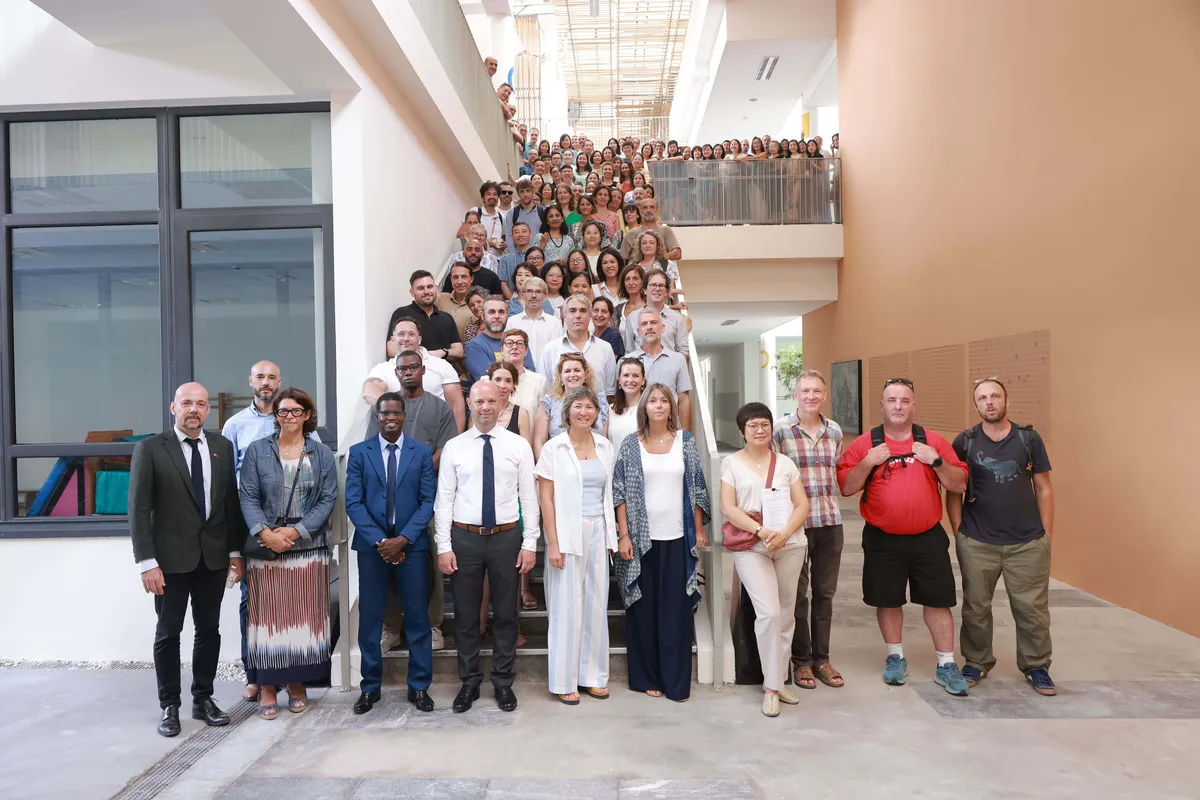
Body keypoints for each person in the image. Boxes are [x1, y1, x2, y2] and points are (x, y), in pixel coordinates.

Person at [837, 378, 970, 695]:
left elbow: (959, 483)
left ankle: (946, 663)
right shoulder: (865, 444)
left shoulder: (932, 441)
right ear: (881, 405)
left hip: (928, 537)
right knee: (888, 599)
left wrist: (935, 461)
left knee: (938, 601)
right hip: (883, 538)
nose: (898, 406)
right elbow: (846, 487)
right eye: (892, 400)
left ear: (913, 404)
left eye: (904, 400)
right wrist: (869, 461)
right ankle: (895, 657)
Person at [129, 383, 245, 737]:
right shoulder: (151, 449)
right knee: (168, 634)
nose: (193, 409)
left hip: (212, 559)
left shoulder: (221, 447)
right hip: (169, 562)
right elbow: (139, 508)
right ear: (173, 408)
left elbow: (230, 505)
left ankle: (203, 698)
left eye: (200, 404)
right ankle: (170, 705)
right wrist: (146, 562)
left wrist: (235, 553)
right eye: (186, 403)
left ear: (208, 410)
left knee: (209, 630)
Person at [947, 378, 1057, 696]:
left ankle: (1037, 666)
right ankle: (976, 662)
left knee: (1031, 609)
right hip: (978, 540)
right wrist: (959, 532)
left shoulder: (1028, 439)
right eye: (983, 398)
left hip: (1027, 541)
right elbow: (954, 489)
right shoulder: (965, 442)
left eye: (995, 396)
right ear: (976, 405)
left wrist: (1046, 533)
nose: (990, 402)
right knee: (975, 607)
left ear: (1006, 400)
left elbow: (1044, 487)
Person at [436, 381, 540, 713]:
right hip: (464, 537)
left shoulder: (519, 445)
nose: (485, 407)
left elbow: (529, 497)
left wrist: (530, 543)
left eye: (491, 401)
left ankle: (503, 682)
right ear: (469, 402)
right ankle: (468, 682)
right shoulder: (454, 447)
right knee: (466, 615)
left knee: (507, 614)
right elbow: (445, 500)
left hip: (506, 537)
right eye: (479, 401)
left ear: (501, 402)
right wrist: (443, 545)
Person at [220, 359, 317, 702]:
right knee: (254, 604)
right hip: (252, 527)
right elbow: (230, 482)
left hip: (296, 534)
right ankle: (257, 675)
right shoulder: (235, 425)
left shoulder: (304, 430)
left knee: (292, 607)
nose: (266, 382)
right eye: (260, 377)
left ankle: (292, 678)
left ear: (280, 382)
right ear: (250, 381)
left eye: (271, 377)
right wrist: (258, 530)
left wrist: (294, 531)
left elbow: (317, 482)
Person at [238, 388, 338, 719]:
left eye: (297, 411)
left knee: (303, 619)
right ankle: (267, 686)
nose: (290, 417)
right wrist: (265, 533)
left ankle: (296, 683)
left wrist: (295, 532)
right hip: (267, 547)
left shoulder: (320, 453)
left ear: (308, 415)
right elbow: (248, 496)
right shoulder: (256, 451)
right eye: (283, 412)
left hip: (307, 546)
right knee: (266, 620)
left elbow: (327, 499)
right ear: (275, 415)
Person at [612, 383, 710, 702]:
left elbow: (696, 486)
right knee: (643, 610)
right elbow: (620, 491)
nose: (658, 405)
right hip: (640, 541)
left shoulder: (686, 441)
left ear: (671, 407)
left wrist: (699, 530)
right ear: (644, 407)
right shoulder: (630, 444)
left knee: (676, 611)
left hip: (678, 538)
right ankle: (646, 678)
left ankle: (675, 681)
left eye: (663, 400)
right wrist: (624, 534)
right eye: (652, 400)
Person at [345, 393, 438, 715]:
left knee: (417, 619)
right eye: (385, 413)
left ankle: (420, 686)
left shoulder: (421, 452)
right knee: (370, 619)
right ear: (377, 416)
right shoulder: (359, 453)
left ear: (404, 415)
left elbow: (428, 501)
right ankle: (369, 688)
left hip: (411, 548)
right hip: (372, 550)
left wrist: (402, 539)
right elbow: (353, 502)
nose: (391, 418)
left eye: (397, 413)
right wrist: (380, 542)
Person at [720, 402, 811, 717]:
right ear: (742, 431)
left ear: (772, 428)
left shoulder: (785, 463)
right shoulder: (731, 464)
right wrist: (760, 530)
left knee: (786, 614)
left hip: (789, 543)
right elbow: (728, 508)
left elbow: (802, 504)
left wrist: (785, 532)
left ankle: (778, 680)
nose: (759, 431)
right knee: (769, 613)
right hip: (751, 545)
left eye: (764, 425)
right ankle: (770, 687)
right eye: (753, 426)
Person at [365, 350, 457, 653]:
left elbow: (446, 449)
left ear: (423, 369)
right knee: (386, 560)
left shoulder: (439, 408)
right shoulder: (385, 406)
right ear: (396, 370)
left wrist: (413, 469)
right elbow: (371, 449)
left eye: (413, 367)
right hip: (387, 498)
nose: (408, 372)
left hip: (425, 497)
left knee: (428, 561)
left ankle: (432, 625)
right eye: (402, 368)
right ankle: (391, 627)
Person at [536, 386, 618, 704]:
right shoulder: (554, 448)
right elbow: (546, 497)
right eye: (578, 406)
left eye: (590, 407)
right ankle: (564, 679)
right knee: (566, 608)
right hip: (567, 534)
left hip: (599, 529)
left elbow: (609, 493)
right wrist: (552, 543)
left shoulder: (605, 446)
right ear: (567, 411)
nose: (584, 412)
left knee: (597, 606)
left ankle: (594, 676)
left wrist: (612, 536)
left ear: (597, 412)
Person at [771, 370, 846, 690]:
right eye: (805, 391)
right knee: (797, 596)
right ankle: (801, 661)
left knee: (825, 595)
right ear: (796, 394)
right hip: (795, 527)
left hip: (829, 522)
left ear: (824, 395)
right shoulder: (780, 430)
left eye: (817, 391)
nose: (811, 396)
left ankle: (822, 658)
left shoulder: (835, 432)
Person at [367, 317, 465, 431]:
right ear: (392, 339)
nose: (406, 339)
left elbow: (457, 405)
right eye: (401, 334)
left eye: (411, 334)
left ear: (419, 340)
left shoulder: (442, 366)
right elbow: (369, 391)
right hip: (398, 433)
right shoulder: (382, 369)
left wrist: (454, 442)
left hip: (436, 431)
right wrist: (400, 412)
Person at [534, 352, 611, 459]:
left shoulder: (599, 401)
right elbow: (539, 443)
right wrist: (547, 471)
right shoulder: (548, 403)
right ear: (560, 376)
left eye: (577, 370)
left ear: (585, 375)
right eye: (567, 371)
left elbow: (605, 440)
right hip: (558, 465)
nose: (572, 374)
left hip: (593, 463)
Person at [538, 294, 616, 395]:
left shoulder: (605, 348)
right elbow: (545, 391)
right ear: (564, 316)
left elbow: (610, 390)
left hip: (598, 409)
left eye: (583, 311)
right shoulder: (550, 349)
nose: (578, 315)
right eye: (572, 311)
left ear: (590, 316)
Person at [627, 309, 692, 429]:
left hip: (670, 430)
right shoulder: (626, 361)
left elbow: (684, 400)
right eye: (644, 324)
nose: (649, 327)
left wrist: (686, 436)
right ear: (638, 331)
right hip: (636, 429)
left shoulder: (678, 360)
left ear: (662, 328)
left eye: (653, 322)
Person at [386, 270, 463, 362]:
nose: (426, 291)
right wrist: (425, 355)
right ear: (412, 292)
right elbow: (391, 350)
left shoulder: (446, 318)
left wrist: (443, 352)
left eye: (430, 287)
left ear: (436, 288)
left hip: (442, 372)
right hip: (411, 371)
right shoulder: (401, 313)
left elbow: (459, 351)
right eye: (421, 288)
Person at [463, 295, 536, 382]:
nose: (497, 316)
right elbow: (489, 379)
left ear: (507, 315)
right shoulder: (474, 346)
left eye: (501, 312)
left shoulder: (518, 341)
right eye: (491, 312)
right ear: (482, 316)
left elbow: (530, 374)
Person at [623, 266, 688, 356]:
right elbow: (628, 352)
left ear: (666, 292)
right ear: (645, 290)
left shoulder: (677, 319)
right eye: (653, 285)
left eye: (661, 285)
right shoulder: (632, 318)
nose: (657, 289)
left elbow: (683, 351)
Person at [508, 276, 563, 367]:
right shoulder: (512, 322)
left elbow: (557, 354)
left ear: (545, 296)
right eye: (529, 291)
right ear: (522, 295)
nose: (534, 295)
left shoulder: (554, 323)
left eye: (538, 291)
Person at [501, 329, 548, 417]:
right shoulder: (488, 380)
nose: (514, 347)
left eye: (519, 343)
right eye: (509, 343)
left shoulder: (539, 381)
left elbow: (543, 417)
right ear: (502, 349)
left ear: (526, 350)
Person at [607, 356, 645, 453]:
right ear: (619, 380)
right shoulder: (610, 410)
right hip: (614, 466)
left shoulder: (648, 409)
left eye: (635, 376)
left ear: (643, 381)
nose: (630, 380)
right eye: (626, 375)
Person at [440, 239, 504, 296]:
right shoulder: (454, 276)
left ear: (482, 255)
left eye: (477, 250)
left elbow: (498, 302)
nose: (473, 253)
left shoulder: (492, 277)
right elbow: (445, 299)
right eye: (469, 249)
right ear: (464, 254)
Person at [436, 262, 479, 343]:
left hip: (467, 352)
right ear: (451, 279)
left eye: (464, 277)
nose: (460, 282)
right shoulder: (440, 299)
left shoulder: (479, 304)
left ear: (471, 279)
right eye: (455, 277)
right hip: (440, 352)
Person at [504, 176, 547, 255]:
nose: (525, 194)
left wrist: (540, 254)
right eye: (522, 191)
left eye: (528, 191)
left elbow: (547, 236)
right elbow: (509, 237)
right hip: (518, 256)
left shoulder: (543, 211)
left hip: (538, 256)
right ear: (518, 194)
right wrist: (514, 256)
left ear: (533, 192)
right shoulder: (512, 213)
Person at [498, 222, 534, 293]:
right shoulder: (505, 259)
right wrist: (513, 302)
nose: (520, 235)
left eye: (524, 231)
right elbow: (503, 284)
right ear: (512, 237)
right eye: (516, 232)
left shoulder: (537, 257)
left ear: (530, 235)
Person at [478, 181, 506, 257]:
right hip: (479, 258)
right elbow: (464, 233)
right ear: (483, 197)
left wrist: (503, 244)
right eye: (488, 194)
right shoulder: (476, 212)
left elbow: (504, 238)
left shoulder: (501, 217)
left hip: (497, 259)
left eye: (495, 194)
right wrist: (487, 242)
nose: (492, 197)